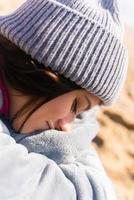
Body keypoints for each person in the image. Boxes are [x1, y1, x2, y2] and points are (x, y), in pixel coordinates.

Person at [0, 0, 128, 199]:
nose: (68, 126)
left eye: (78, 113)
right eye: (76, 105)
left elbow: (103, 191)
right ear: (47, 68)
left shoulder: (73, 120)